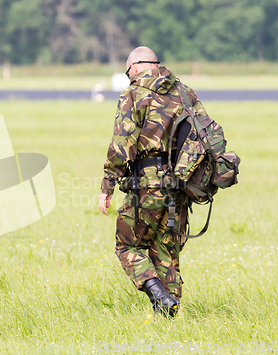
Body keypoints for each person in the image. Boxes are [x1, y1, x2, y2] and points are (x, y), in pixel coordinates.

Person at [98, 46, 208, 317]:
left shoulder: (133, 94)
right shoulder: (185, 92)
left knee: (126, 245)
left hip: (147, 185)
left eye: (128, 73)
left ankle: (156, 292)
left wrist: (107, 186)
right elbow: (204, 135)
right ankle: (168, 314)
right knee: (167, 251)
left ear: (135, 67)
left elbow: (122, 145)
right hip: (181, 184)